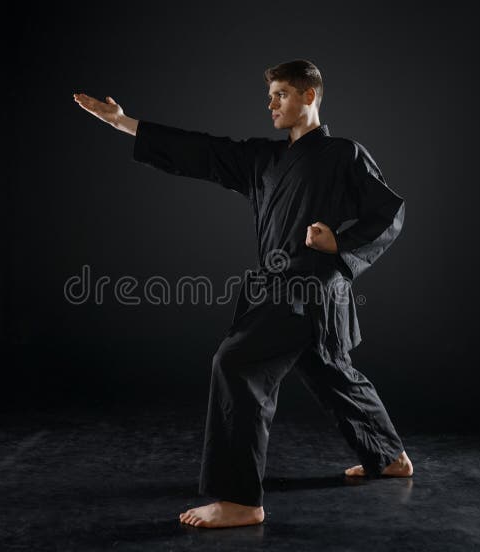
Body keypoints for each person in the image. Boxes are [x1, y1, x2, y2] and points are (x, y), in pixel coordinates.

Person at [73, 59, 413, 529]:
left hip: (312, 288)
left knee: (235, 364)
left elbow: (388, 213)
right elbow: (203, 152)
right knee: (333, 372)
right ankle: (389, 456)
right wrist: (124, 123)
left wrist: (341, 243)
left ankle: (239, 501)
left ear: (309, 96)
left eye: (281, 94)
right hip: (279, 287)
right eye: (271, 94)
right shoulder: (264, 160)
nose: (270, 103)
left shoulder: (344, 155)